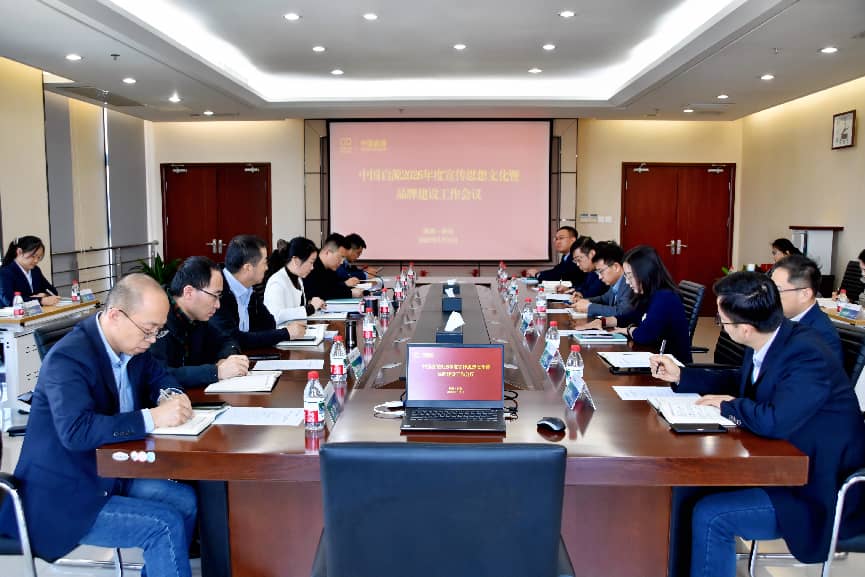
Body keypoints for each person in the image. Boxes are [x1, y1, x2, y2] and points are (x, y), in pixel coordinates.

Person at [650, 272, 865, 577]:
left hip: (815, 487)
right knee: (687, 487)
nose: (721, 326)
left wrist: (728, 405)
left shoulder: (807, 354)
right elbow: (742, 383)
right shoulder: (773, 337)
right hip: (783, 462)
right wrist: (682, 376)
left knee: (712, 515)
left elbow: (772, 420)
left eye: (723, 321)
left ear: (745, 329)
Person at [0, 273, 197, 576]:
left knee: (184, 500)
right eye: (148, 330)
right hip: (64, 495)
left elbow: (160, 376)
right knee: (163, 525)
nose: (152, 339)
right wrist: (153, 417)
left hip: (108, 473)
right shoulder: (68, 358)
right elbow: (76, 432)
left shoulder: (133, 347)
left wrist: (171, 395)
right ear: (116, 315)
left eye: (159, 331)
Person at [149, 256, 249, 387]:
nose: (218, 305)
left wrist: (226, 359)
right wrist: (216, 372)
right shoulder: (155, 319)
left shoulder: (197, 318)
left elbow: (227, 340)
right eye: (214, 296)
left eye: (219, 297)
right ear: (189, 292)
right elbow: (157, 375)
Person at [587, 245, 692, 363]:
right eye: (626, 276)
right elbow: (632, 317)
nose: (627, 282)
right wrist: (603, 321)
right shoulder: (649, 293)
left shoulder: (665, 297)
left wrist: (628, 330)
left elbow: (644, 335)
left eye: (630, 276)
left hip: (671, 367)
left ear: (644, 273)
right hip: (653, 358)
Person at [210, 234, 305, 348]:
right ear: (248, 268)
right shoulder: (216, 292)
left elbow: (269, 324)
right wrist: (286, 333)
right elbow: (233, 339)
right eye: (264, 263)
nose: (267, 268)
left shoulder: (248, 287)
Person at [770, 254, 843, 368]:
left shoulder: (821, 336)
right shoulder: (777, 320)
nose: (771, 296)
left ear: (804, 294)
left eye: (777, 290)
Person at [264, 236, 326, 323]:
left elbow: (295, 310)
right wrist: (310, 308)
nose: (312, 267)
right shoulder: (277, 282)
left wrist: (312, 304)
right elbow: (276, 316)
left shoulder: (298, 279)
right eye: (311, 262)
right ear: (296, 260)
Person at [570, 241, 634, 319]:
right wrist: (583, 301)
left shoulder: (629, 284)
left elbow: (622, 312)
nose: (600, 277)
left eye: (601, 271)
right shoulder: (616, 282)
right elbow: (603, 299)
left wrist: (590, 307)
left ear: (616, 267)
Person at [0, 235, 60, 307]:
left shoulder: (35, 270)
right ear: (19, 252)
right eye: (33, 256)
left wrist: (45, 295)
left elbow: (53, 291)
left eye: (39, 257)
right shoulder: (5, 272)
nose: (36, 260)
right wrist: (40, 300)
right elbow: (9, 300)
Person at [304, 235, 364, 301]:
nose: (341, 262)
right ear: (328, 253)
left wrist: (362, 291)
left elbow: (334, 287)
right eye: (341, 257)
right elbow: (317, 294)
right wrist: (350, 293)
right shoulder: (311, 265)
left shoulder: (330, 268)